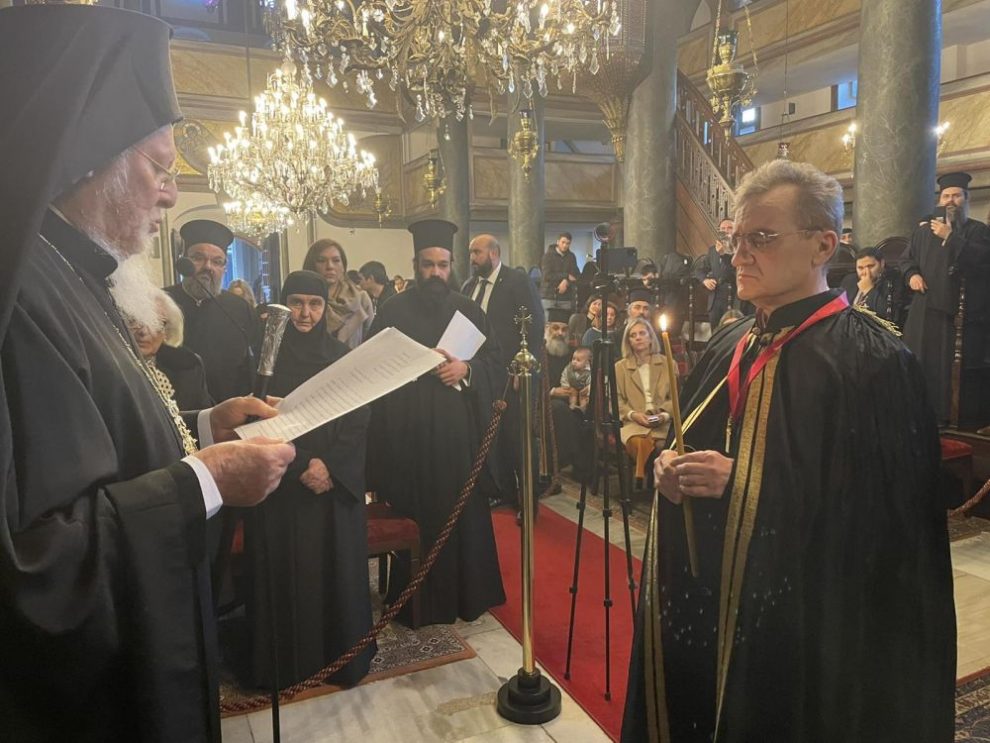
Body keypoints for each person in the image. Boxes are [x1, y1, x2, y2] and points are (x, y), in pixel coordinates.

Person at [0, 6, 296, 739]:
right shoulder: (21, 295)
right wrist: (206, 481)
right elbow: (34, 563)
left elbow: (108, 435)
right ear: (89, 157)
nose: (171, 193)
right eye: (160, 168)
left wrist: (205, 426)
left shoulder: (78, 274)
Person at [623, 159, 954, 742]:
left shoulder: (872, 360)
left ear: (824, 244)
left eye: (762, 238)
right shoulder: (732, 340)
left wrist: (745, 482)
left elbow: (889, 528)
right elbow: (693, 438)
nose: (739, 255)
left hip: (807, 628)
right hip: (712, 598)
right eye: (736, 239)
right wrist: (670, 466)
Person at [366, 219, 506, 626]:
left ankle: (468, 595)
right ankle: (417, 603)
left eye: (442, 265)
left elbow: (495, 362)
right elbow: (371, 368)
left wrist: (467, 369)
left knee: (462, 515)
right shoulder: (391, 312)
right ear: (415, 265)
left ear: (451, 266)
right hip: (408, 438)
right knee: (420, 515)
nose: (435, 273)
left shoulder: (469, 310)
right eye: (428, 265)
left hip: (458, 437)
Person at [245, 270, 374, 689]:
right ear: (282, 307)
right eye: (296, 303)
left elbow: (359, 416)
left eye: (314, 304)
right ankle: (287, 666)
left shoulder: (342, 357)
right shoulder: (264, 361)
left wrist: (331, 466)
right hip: (281, 485)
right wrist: (302, 463)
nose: (305, 313)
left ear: (325, 307)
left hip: (332, 486)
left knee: (334, 574)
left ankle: (341, 660)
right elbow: (252, 418)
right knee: (286, 576)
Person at [463, 234, 545, 510]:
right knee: (492, 435)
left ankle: (529, 500)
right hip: (483, 372)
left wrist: (523, 368)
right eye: (471, 253)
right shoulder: (470, 286)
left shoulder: (516, 281)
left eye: (477, 252)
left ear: (494, 253)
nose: (472, 258)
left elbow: (534, 324)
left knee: (517, 436)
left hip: (513, 374)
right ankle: (504, 491)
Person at [902, 171, 990, 425]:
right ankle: (918, 416)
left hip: (959, 315)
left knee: (949, 370)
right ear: (939, 200)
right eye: (946, 196)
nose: (951, 200)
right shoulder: (922, 233)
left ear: (966, 199)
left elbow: (982, 261)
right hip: (924, 311)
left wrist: (950, 238)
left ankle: (950, 419)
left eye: (956, 196)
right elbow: (906, 260)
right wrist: (912, 275)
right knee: (920, 364)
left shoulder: (978, 231)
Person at [165, 219, 258, 402]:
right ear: (183, 262)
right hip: (175, 410)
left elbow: (250, 365)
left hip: (229, 408)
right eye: (198, 258)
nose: (208, 267)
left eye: (217, 261)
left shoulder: (240, 309)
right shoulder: (162, 302)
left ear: (224, 268)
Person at [125, 287, 213, 410]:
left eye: (156, 323)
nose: (143, 332)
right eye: (133, 321)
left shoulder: (188, 365)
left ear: (166, 332)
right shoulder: (110, 369)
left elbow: (202, 411)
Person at [615, 319, 673, 488]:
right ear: (628, 342)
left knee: (663, 445)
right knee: (640, 442)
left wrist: (663, 415)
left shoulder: (668, 363)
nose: (638, 338)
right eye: (633, 335)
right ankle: (646, 481)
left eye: (642, 333)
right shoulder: (620, 367)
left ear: (650, 337)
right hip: (634, 423)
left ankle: (657, 488)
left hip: (661, 422)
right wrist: (633, 415)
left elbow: (676, 398)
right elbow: (616, 400)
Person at [303, 239, 375, 349]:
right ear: (311, 265)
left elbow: (372, 343)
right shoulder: (303, 301)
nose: (330, 266)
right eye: (322, 261)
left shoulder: (361, 299)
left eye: (336, 260)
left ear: (343, 266)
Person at [694, 217, 753, 325]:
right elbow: (699, 270)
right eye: (723, 229)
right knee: (715, 332)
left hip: (734, 300)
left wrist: (723, 254)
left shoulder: (741, 249)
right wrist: (705, 280)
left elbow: (734, 272)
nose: (726, 231)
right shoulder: (713, 250)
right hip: (715, 301)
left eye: (729, 228)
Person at [839, 246, 905, 325]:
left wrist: (869, 290)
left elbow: (890, 317)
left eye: (870, 266)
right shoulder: (849, 280)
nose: (866, 272)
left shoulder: (894, 280)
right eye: (860, 268)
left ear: (882, 264)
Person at [540, 232, 580, 310]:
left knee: (565, 318)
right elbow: (547, 276)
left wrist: (566, 281)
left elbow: (575, 275)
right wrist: (566, 276)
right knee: (548, 318)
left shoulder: (571, 257)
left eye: (568, 243)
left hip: (566, 297)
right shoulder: (548, 256)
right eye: (563, 242)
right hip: (549, 296)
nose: (565, 245)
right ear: (558, 242)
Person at [560, 346, 592, 411]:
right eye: (573, 359)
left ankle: (583, 408)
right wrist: (566, 386)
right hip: (572, 388)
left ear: (586, 363)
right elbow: (564, 377)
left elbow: (590, 381)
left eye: (578, 360)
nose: (574, 362)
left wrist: (588, 388)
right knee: (573, 394)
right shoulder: (569, 369)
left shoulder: (588, 372)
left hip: (583, 389)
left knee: (583, 395)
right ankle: (572, 406)